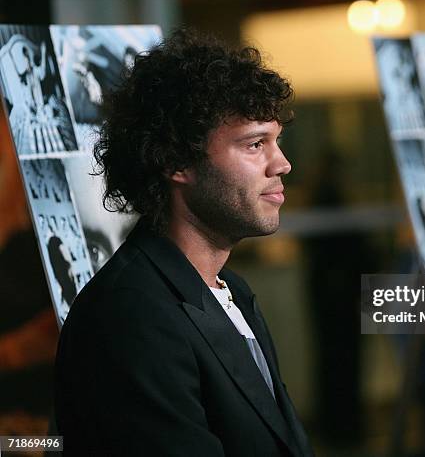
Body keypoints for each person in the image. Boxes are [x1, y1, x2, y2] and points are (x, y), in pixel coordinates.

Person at [55, 28, 313, 457]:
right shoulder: (131, 314)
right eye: (254, 144)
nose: (281, 163)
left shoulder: (231, 291)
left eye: (276, 141)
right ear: (176, 161)